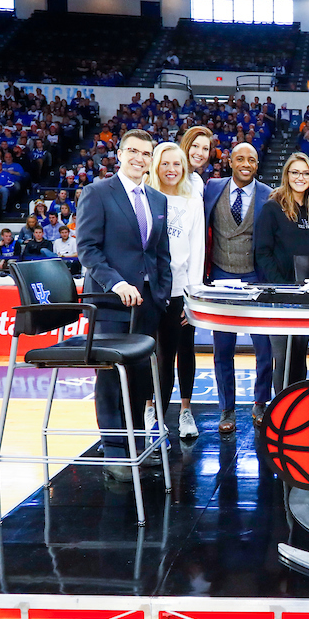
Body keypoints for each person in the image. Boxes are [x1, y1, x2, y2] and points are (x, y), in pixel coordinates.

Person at [77, 130, 172, 483]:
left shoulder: (157, 200)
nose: (139, 158)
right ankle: (114, 451)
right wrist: (116, 283)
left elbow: (161, 253)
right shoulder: (97, 193)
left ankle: (132, 447)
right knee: (110, 377)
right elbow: (87, 249)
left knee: (139, 377)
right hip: (109, 301)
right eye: (132, 151)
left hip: (148, 302)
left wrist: (161, 294)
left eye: (146, 154)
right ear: (119, 154)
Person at [141, 130, 209, 440]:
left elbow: (197, 250)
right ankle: (150, 410)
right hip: (149, 290)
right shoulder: (145, 195)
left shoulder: (192, 199)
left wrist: (193, 296)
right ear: (155, 166)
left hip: (180, 291)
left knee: (179, 352)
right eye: (165, 163)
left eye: (177, 164)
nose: (171, 169)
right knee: (151, 354)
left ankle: (182, 412)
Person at [203, 142, 273, 433]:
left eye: (252, 160)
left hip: (255, 277)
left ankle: (260, 402)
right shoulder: (211, 188)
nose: (246, 163)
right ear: (230, 161)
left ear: (257, 165)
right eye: (240, 158)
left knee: (264, 347)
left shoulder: (269, 195)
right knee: (222, 349)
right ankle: (226, 409)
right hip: (220, 276)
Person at [256, 153, 309, 392]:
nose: (300, 177)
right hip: (281, 294)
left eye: (305, 173)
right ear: (287, 175)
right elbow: (262, 252)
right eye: (295, 172)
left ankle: (297, 410)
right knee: (283, 359)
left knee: (300, 356)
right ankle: (281, 412)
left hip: (306, 295)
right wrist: (282, 286)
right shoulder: (273, 208)